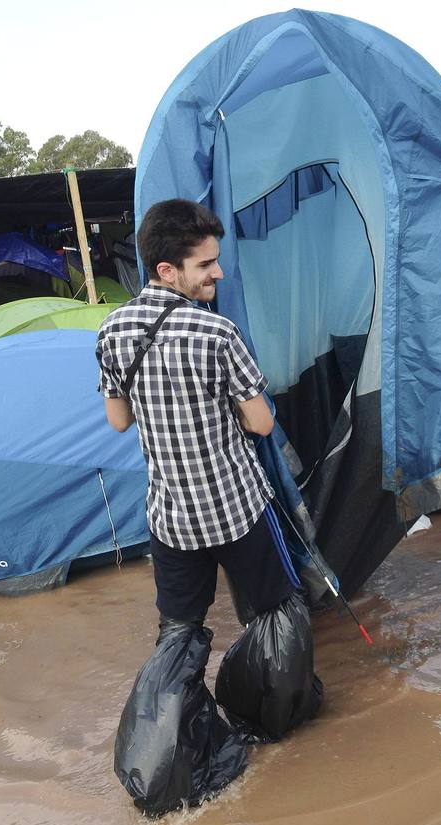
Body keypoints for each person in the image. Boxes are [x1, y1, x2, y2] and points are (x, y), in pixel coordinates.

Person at [95, 199, 293, 629]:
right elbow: (261, 423)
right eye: (206, 264)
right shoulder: (218, 331)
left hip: (171, 518)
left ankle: (176, 697)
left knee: (179, 629)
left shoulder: (112, 329)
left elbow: (119, 420)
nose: (217, 273)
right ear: (168, 270)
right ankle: (277, 697)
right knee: (274, 617)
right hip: (236, 508)